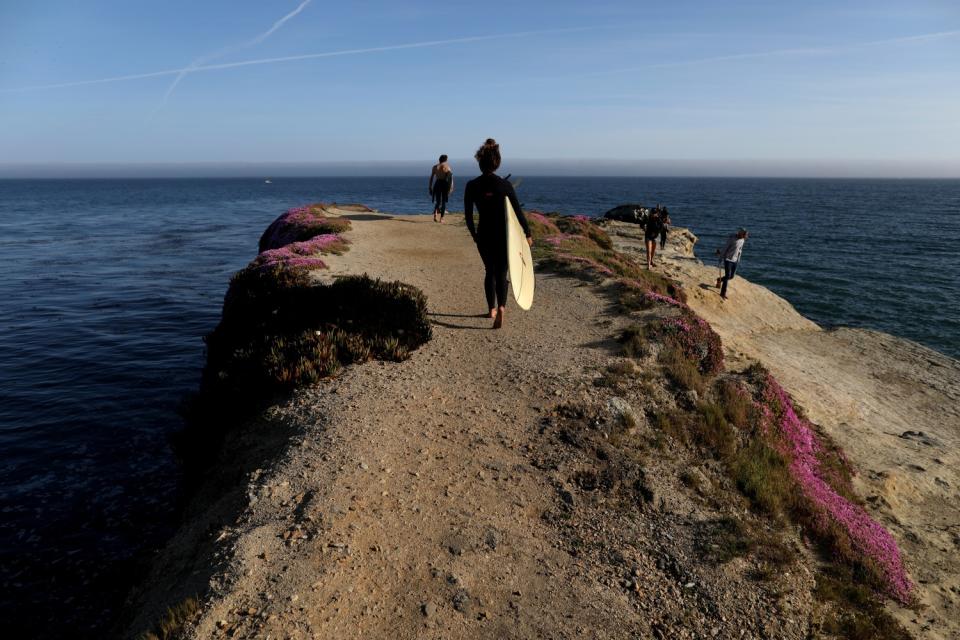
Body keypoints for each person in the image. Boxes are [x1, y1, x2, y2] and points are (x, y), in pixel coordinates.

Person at [464, 138, 532, 329]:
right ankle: (502, 307)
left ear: (480, 163)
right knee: (502, 273)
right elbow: (518, 212)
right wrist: (527, 233)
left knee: (489, 272)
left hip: (484, 233)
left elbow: (468, 216)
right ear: (497, 162)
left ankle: (491, 309)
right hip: (504, 236)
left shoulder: (472, 185)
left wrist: (474, 235)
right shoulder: (504, 185)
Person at [716, 228, 748, 300]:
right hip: (727, 259)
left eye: (746, 235)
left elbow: (740, 249)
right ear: (740, 233)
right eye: (744, 235)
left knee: (731, 276)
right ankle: (723, 293)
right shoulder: (732, 238)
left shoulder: (743, 240)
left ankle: (719, 279)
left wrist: (738, 259)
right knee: (727, 276)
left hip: (735, 260)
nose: (745, 236)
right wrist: (721, 258)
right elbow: (725, 248)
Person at [428, 154, 454, 222]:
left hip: (437, 184)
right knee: (443, 202)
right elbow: (451, 178)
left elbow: (431, 178)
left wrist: (430, 186)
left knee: (438, 201)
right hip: (444, 184)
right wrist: (451, 187)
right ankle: (441, 219)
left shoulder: (434, 167)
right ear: (446, 160)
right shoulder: (447, 167)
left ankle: (435, 216)